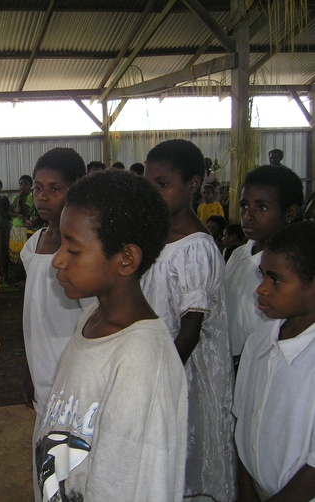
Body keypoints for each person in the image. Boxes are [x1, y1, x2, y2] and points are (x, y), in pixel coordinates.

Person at [36, 170, 187, 501]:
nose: (57, 260)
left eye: (73, 249)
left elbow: (133, 484)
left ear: (126, 259)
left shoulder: (140, 362)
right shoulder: (93, 318)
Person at [141, 139, 237, 501]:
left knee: (184, 458)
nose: (153, 193)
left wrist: (155, 380)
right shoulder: (156, 237)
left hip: (181, 374)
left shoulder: (196, 247)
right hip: (154, 362)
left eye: (162, 185)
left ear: (193, 185)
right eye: (148, 184)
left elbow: (190, 333)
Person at [20, 147, 87, 500]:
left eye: (54, 188)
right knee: (46, 460)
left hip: (72, 373)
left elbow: (93, 316)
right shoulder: (33, 245)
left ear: (75, 189)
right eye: (37, 187)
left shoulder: (80, 251)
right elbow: (34, 314)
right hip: (41, 367)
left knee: (72, 461)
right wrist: (28, 369)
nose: (43, 196)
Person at [233, 222, 315, 501]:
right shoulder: (258, 341)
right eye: (262, 276)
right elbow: (242, 425)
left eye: (275, 279)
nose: (262, 289)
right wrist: (246, 492)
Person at [225, 166, 303, 362]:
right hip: (230, 360)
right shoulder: (237, 255)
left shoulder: (294, 269)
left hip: (266, 360)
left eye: (262, 207)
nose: (248, 215)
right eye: (244, 205)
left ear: (290, 212)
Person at [7, 174, 35, 282]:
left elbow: (19, 210)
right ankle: (18, 277)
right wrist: (18, 215)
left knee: (25, 254)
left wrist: (21, 197)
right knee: (16, 255)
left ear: (30, 186)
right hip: (15, 228)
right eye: (21, 183)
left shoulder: (29, 197)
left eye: (26, 184)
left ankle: (26, 278)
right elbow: (9, 212)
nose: (22, 186)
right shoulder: (16, 197)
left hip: (25, 229)